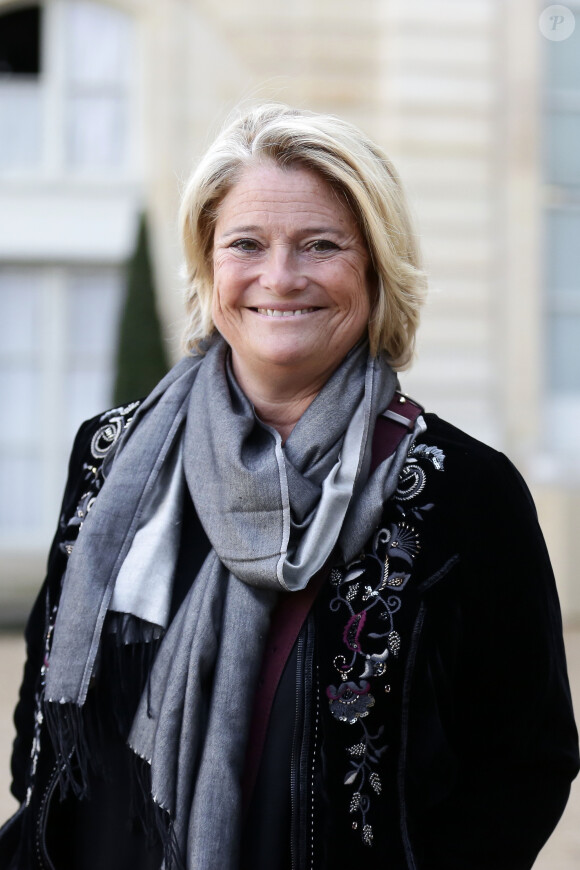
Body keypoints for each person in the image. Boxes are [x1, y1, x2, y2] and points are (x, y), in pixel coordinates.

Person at [0, 103, 578, 870]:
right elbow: (45, 716)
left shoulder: (463, 491)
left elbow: (524, 768)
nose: (280, 277)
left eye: (321, 245)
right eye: (247, 243)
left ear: (375, 267)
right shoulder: (111, 456)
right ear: (208, 268)